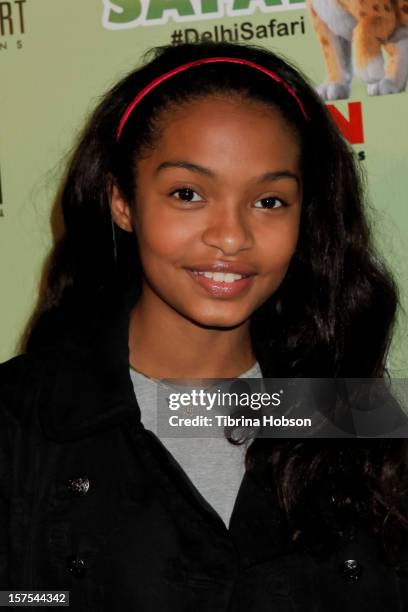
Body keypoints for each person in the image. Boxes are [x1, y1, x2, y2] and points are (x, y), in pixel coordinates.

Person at [0, 40, 407, 611]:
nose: (232, 236)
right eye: (187, 194)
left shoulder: (353, 415)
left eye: (269, 201)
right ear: (122, 199)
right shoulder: (20, 421)